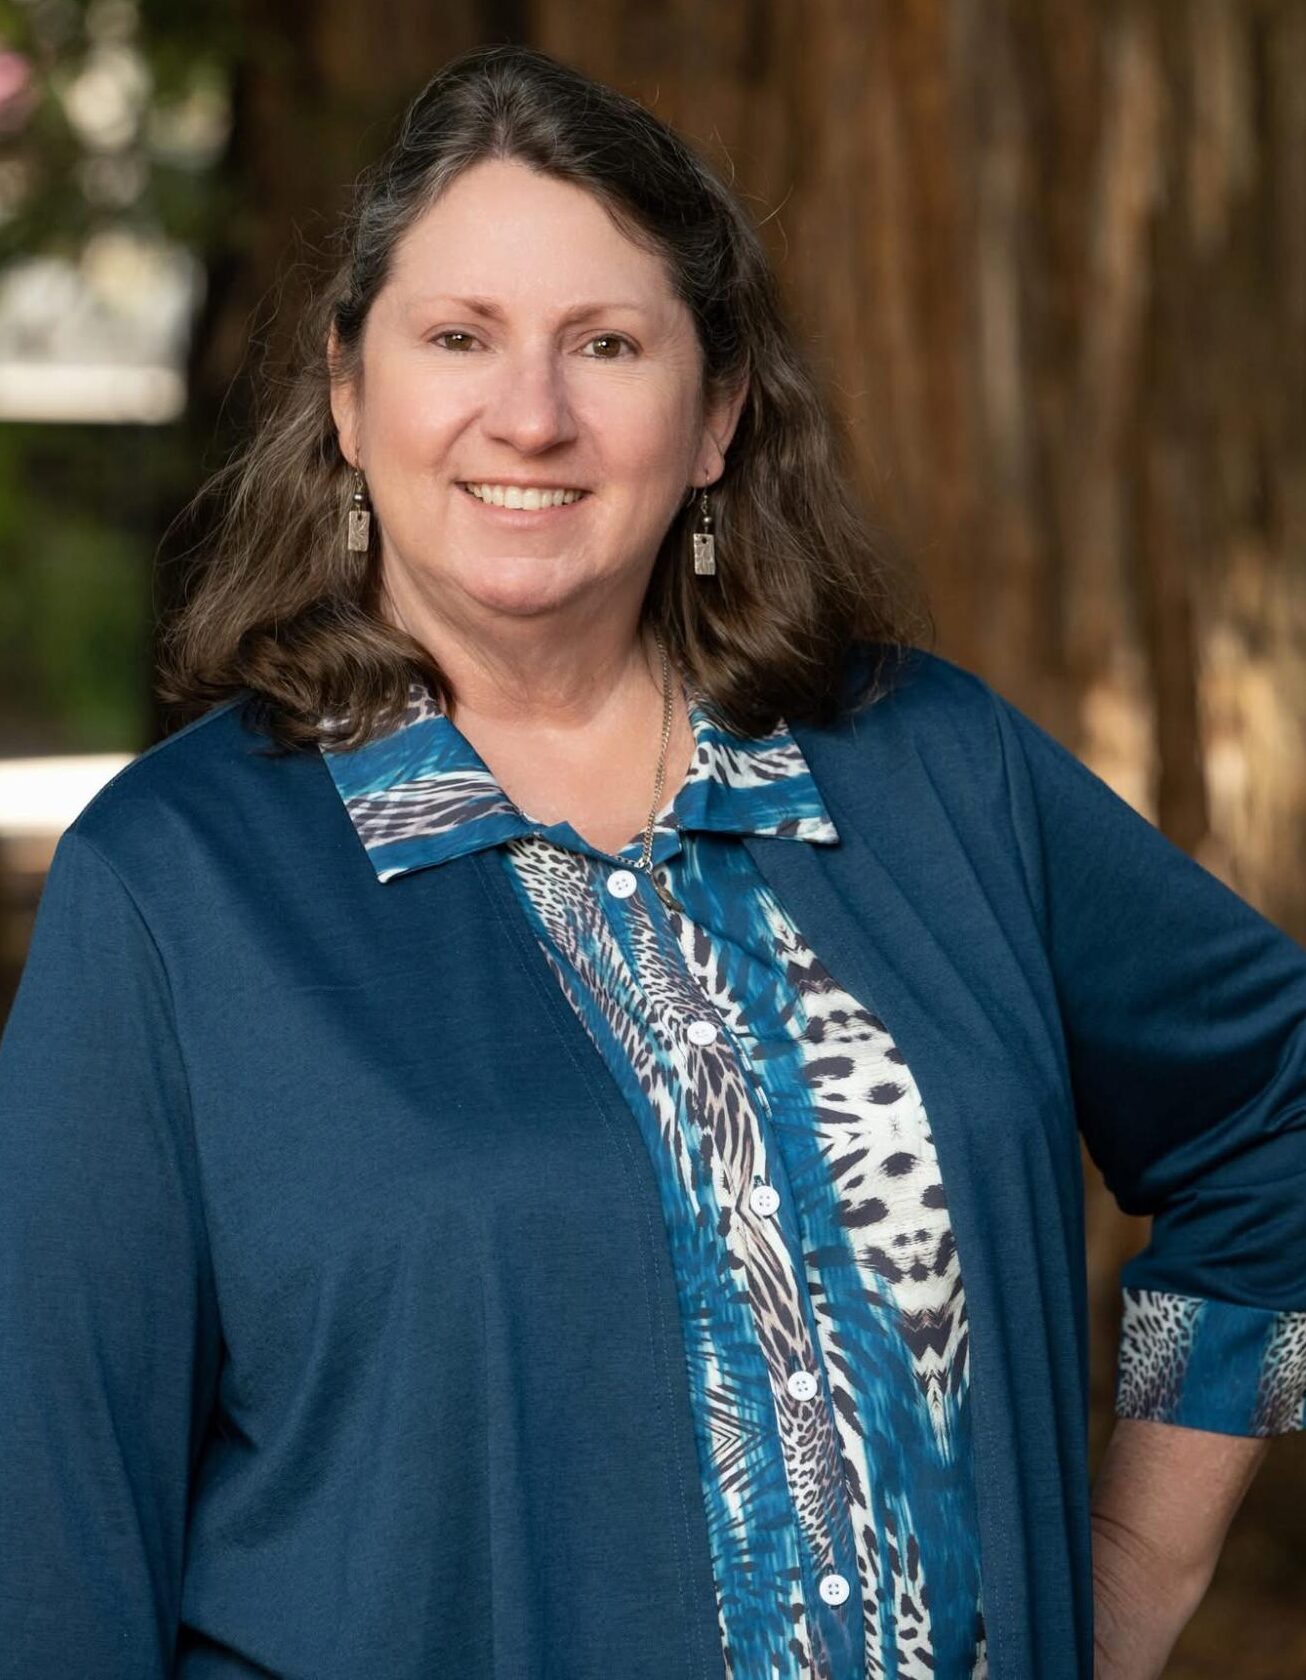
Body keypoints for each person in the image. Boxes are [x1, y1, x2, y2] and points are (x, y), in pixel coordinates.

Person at [0, 40, 1302, 1680]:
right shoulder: (176, 887)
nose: (529, 416)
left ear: (714, 416)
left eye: (605, 344)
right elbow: (54, 1536)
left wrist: (1131, 1567)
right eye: (457, 337)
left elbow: (1278, 1122)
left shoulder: (934, 770)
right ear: (348, 396)